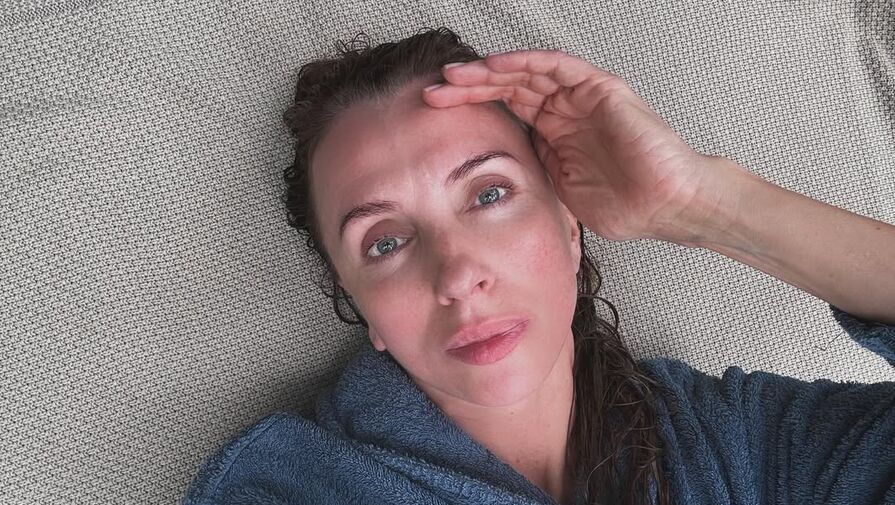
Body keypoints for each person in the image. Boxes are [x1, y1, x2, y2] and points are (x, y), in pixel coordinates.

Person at [180, 27, 895, 505]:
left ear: (568, 220)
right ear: (359, 303)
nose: (456, 276)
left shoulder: (732, 443)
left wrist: (708, 207)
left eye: (488, 194)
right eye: (385, 242)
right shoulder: (292, 488)